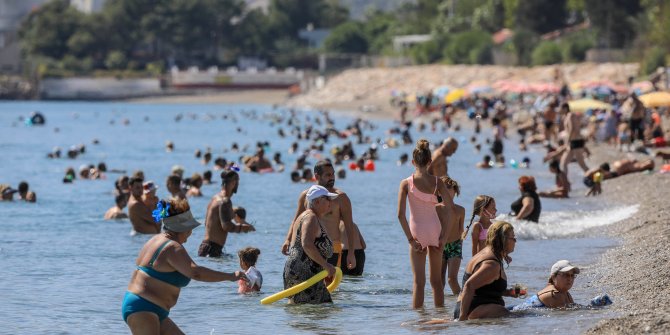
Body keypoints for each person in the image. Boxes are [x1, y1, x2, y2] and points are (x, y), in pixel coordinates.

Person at [122, 198, 247, 334]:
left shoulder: (155, 240)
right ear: (179, 228)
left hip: (150, 308)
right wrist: (230, 276)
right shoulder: (172, 247)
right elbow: (196, 273)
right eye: (189, 228)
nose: (190, 233)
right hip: (143, 307)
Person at [397, 139, 453, 308]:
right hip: (435, 230)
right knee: (436, 282)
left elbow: (400, 215)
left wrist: (410, 240)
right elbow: (451, 210)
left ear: (413, 162)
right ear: (430, 162)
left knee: (418, 283)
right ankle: (440, 318)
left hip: (417, 232)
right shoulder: (438, 182)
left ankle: (418, 321)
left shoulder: (406, 183)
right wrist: (444, 236)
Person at [281, 160, 358, 272]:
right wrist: (287, 240)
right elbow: (296, 220)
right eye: (328, 175)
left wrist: (351, 253)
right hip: (309, 249)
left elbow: (349, 226)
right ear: (317, 176)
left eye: (333, 174)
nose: (332, 177)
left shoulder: (341, 198)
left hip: (331, 250)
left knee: (330, 288)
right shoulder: (306, 196)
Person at [455, 221, 521, 321]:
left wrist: (510, 292)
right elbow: (469, 286)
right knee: (520, 317)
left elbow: (487, 289)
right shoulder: (492, 264)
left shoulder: (488, 254)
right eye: (513, 238)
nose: (515, 241)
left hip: (471, 307)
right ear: (503, 240)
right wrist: (462, 319)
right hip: (472, 310)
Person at [283, 185, 338, 304]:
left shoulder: (310, 216)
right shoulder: (311, 217)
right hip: (305, 274)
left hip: (308, 274)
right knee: (308, 315)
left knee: (321, 311)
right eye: (327, 199)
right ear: (317, 201)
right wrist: (326, 265)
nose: (330, 202)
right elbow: (306, 244)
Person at [199, 170, 255, 257]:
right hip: (212, 249)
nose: (238, 184)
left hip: (205, 247)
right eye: (238, 181)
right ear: (233, 182)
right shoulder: (225, 201)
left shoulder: (215, 198)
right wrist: (243, 228)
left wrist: (243, 223)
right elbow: (226, 226)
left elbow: (208, 223)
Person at [437, 176, 465, 296]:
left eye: (450, 188)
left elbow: (461, 230)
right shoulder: (435, 208)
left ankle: (461, 302)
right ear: (439, 192)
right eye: (445, 188)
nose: (448, 191)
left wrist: (462, 238)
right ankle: (440, 307)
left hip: (455, 245)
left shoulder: (460, 210)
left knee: (451, 279)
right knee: (439, 280)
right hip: (439, 246)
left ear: (455, 191)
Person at [515, 260, 580, 309]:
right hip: (516, 315)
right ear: (553, 277)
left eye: (572, 275)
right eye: (566, 275)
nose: (570, 279)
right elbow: (565, 314)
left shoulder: (565, 293)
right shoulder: (553, 295)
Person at [560, 102, 590, 176]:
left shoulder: (570, 115)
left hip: (576, 141)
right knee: (563, 163)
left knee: (582, 164)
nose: (560, 110)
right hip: (573, 142)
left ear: (565, 108)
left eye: (561, 109)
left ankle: (595, 179)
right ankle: (565, 183)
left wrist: (568, 140)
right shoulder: (567, 116)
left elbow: (572, 128)